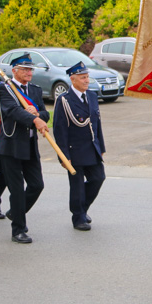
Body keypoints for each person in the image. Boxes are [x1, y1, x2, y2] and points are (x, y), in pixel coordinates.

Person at [0, 53, 49, 244]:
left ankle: (16, 212)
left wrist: (38, 114)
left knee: (37, 185)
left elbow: (45, 113)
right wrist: (34, 119)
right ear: (14, 71)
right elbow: (12, 111)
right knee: (17, 189)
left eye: (30, 69)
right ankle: (18, 229)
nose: (29, 72)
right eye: (25, 69)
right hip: (11, 145)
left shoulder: (34, 90)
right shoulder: (5, 89)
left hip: (29, 145)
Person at [53, 61, 106, 231]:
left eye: (87, 77)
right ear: (73, 80)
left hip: (92, 148)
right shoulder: (64, 100)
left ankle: (82, 208)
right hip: (74, 150)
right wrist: (63, 155)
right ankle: (78, 217)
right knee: (76, 185)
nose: (86, 81)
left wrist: (101, 147)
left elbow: (97, 124)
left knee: (98, 178)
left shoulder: (91, 96)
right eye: (83, 78)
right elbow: (59, 129)